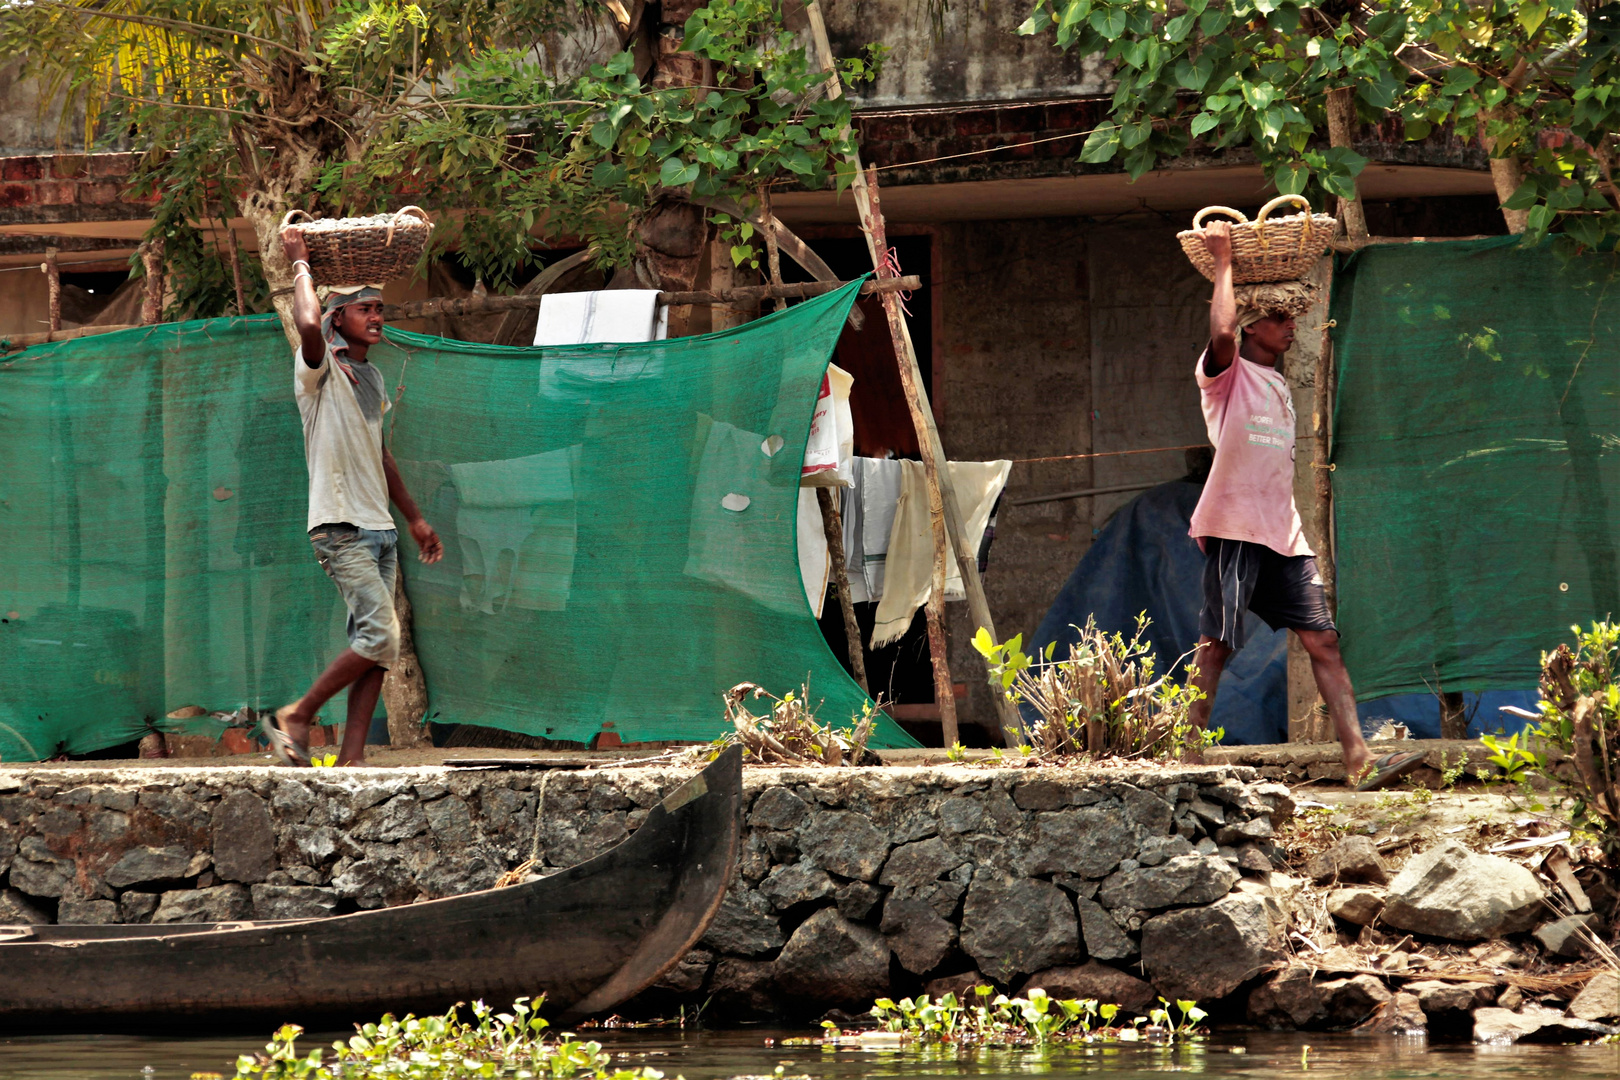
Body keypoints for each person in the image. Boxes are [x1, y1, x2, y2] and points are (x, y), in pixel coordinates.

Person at [1186, 221, 1422, 791]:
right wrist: (1223, 262)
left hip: (1283, 534)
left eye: (1292, 317)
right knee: (1217, 642)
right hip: (1235, 526)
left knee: (1324, 639)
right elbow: (1220, 333)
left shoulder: (1278, 386)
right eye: (1279, 318)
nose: (1292, 326)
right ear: (1250, 323)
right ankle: (1185, 758)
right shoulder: (1226, 375)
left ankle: (1360, 760)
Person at [261, 229, 443, 766]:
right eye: (365, 309)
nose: (377, 317)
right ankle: (295, 716)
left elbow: (380, 455)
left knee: (381, 649)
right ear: (340, 317)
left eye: (381, 309)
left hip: (379, 528)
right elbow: (308, 323)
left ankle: (353, 758)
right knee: (381, 632)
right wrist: (300, 264)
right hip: (339, 525)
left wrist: (413, 518)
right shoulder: (318, 371)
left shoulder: (372, 378)